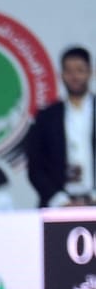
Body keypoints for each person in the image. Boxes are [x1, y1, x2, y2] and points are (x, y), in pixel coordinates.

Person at [27, 46, 95, 209]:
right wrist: (60, 200)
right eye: (69, 71)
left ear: (90, 73)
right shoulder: (46, 116)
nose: (74, 76)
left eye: (80, 70)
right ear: (61, 75)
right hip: (57, 204)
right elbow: (35, 165)